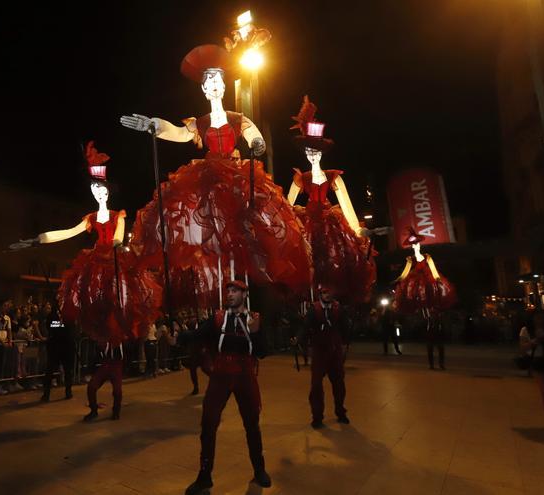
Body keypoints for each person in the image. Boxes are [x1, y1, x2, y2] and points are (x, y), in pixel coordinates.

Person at [122, 44, 311, 307]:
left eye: (218, 79)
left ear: (224, 85)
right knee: (210, 234)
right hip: (208, 179)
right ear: (202, 87)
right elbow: (177, 132)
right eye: (209, 79)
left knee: (248, 226)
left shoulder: (237, 118)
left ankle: (246, 295)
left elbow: (255, 137)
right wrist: (154, 125)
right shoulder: (199, 122)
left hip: (237, 177)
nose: (213, 84)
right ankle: (223, 298)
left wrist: (257, 144)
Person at [15, 142, 162, 403]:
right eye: (94, 189)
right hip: (96, 262)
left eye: (101, 188)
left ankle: (117, 346)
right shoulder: (90, 218)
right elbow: (68, 232)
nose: (98, 192)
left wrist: (118, 246)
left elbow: (118, 236)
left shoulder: (119, 214)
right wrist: (38, 239)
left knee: (123, 298)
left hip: (114, 259)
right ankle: (103, 348)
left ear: (108, 191)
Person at [286, 96, 376, 304]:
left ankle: (330, 302)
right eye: (309, 151)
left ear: (321, 152)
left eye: (316, 150)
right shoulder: (302, 178)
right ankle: (314, 303)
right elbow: (288, 205)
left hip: (330, 223)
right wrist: (288, 232)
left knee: (334, 259)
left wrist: (355, 229)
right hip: (308, 220)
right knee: (310, 261)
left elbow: (345, 202)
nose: (313, 155)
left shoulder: (333, 176)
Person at [185, 280, 271, 494]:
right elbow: (198, 335)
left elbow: (262, 352)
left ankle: (259, 470)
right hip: (221, 375)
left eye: (235, 291)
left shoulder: (255, 319)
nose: (230, 294)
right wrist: (177, 336)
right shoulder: (217, 318)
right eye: (228, 291)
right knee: (208, 424)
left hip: (245, 375)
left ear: (244, 294)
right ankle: (205, 476)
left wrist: (255, 332)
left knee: (252, 424)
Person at [297, 287, 350, 429]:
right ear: (320, 294)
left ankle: (340, 412)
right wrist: (299, 339)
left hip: (335, 351)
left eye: (330, 292)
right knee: (316, 386)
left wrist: (345, 345)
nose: (328, 295)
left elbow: (346, 328)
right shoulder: (313, 309)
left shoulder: (339, 308)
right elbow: (306, 326)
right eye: (325, 293)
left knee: (339, 384)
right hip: (319, 351)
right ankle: (317, 417)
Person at [393, 227, 456, 315]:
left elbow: (433, 268)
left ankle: (432, 315)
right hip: (415, 280)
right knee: (417, 296)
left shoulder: (427, 256)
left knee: (431, 294)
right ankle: (424, 315)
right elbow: (405, 271)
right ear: (412, 246)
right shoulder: (410, 259)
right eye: (414, 244)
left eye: (417, 243)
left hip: (428, 279)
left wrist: (437, 278)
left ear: (419, 244)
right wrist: (398, 279)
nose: (416, 245)